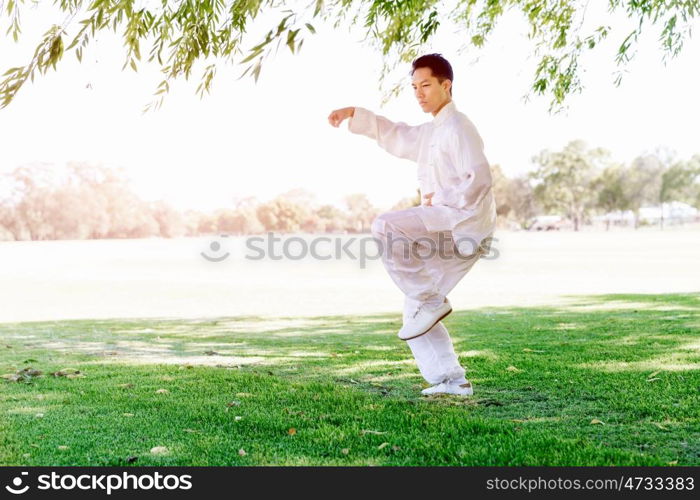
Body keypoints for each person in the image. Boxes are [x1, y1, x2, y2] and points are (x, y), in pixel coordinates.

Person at [327, 53, 496, 396]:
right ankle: (452, 380)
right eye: (414, 87)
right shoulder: (431, 131)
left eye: (427, 85)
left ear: (446, 85)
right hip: (445, 223)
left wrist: (444, 200)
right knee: (415, 310)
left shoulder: (459, 127)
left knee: (387, 226)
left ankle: (431, 300)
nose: (419, 93)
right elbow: (396, 134)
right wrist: (356, 115)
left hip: (460, 223)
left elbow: (478, 179)